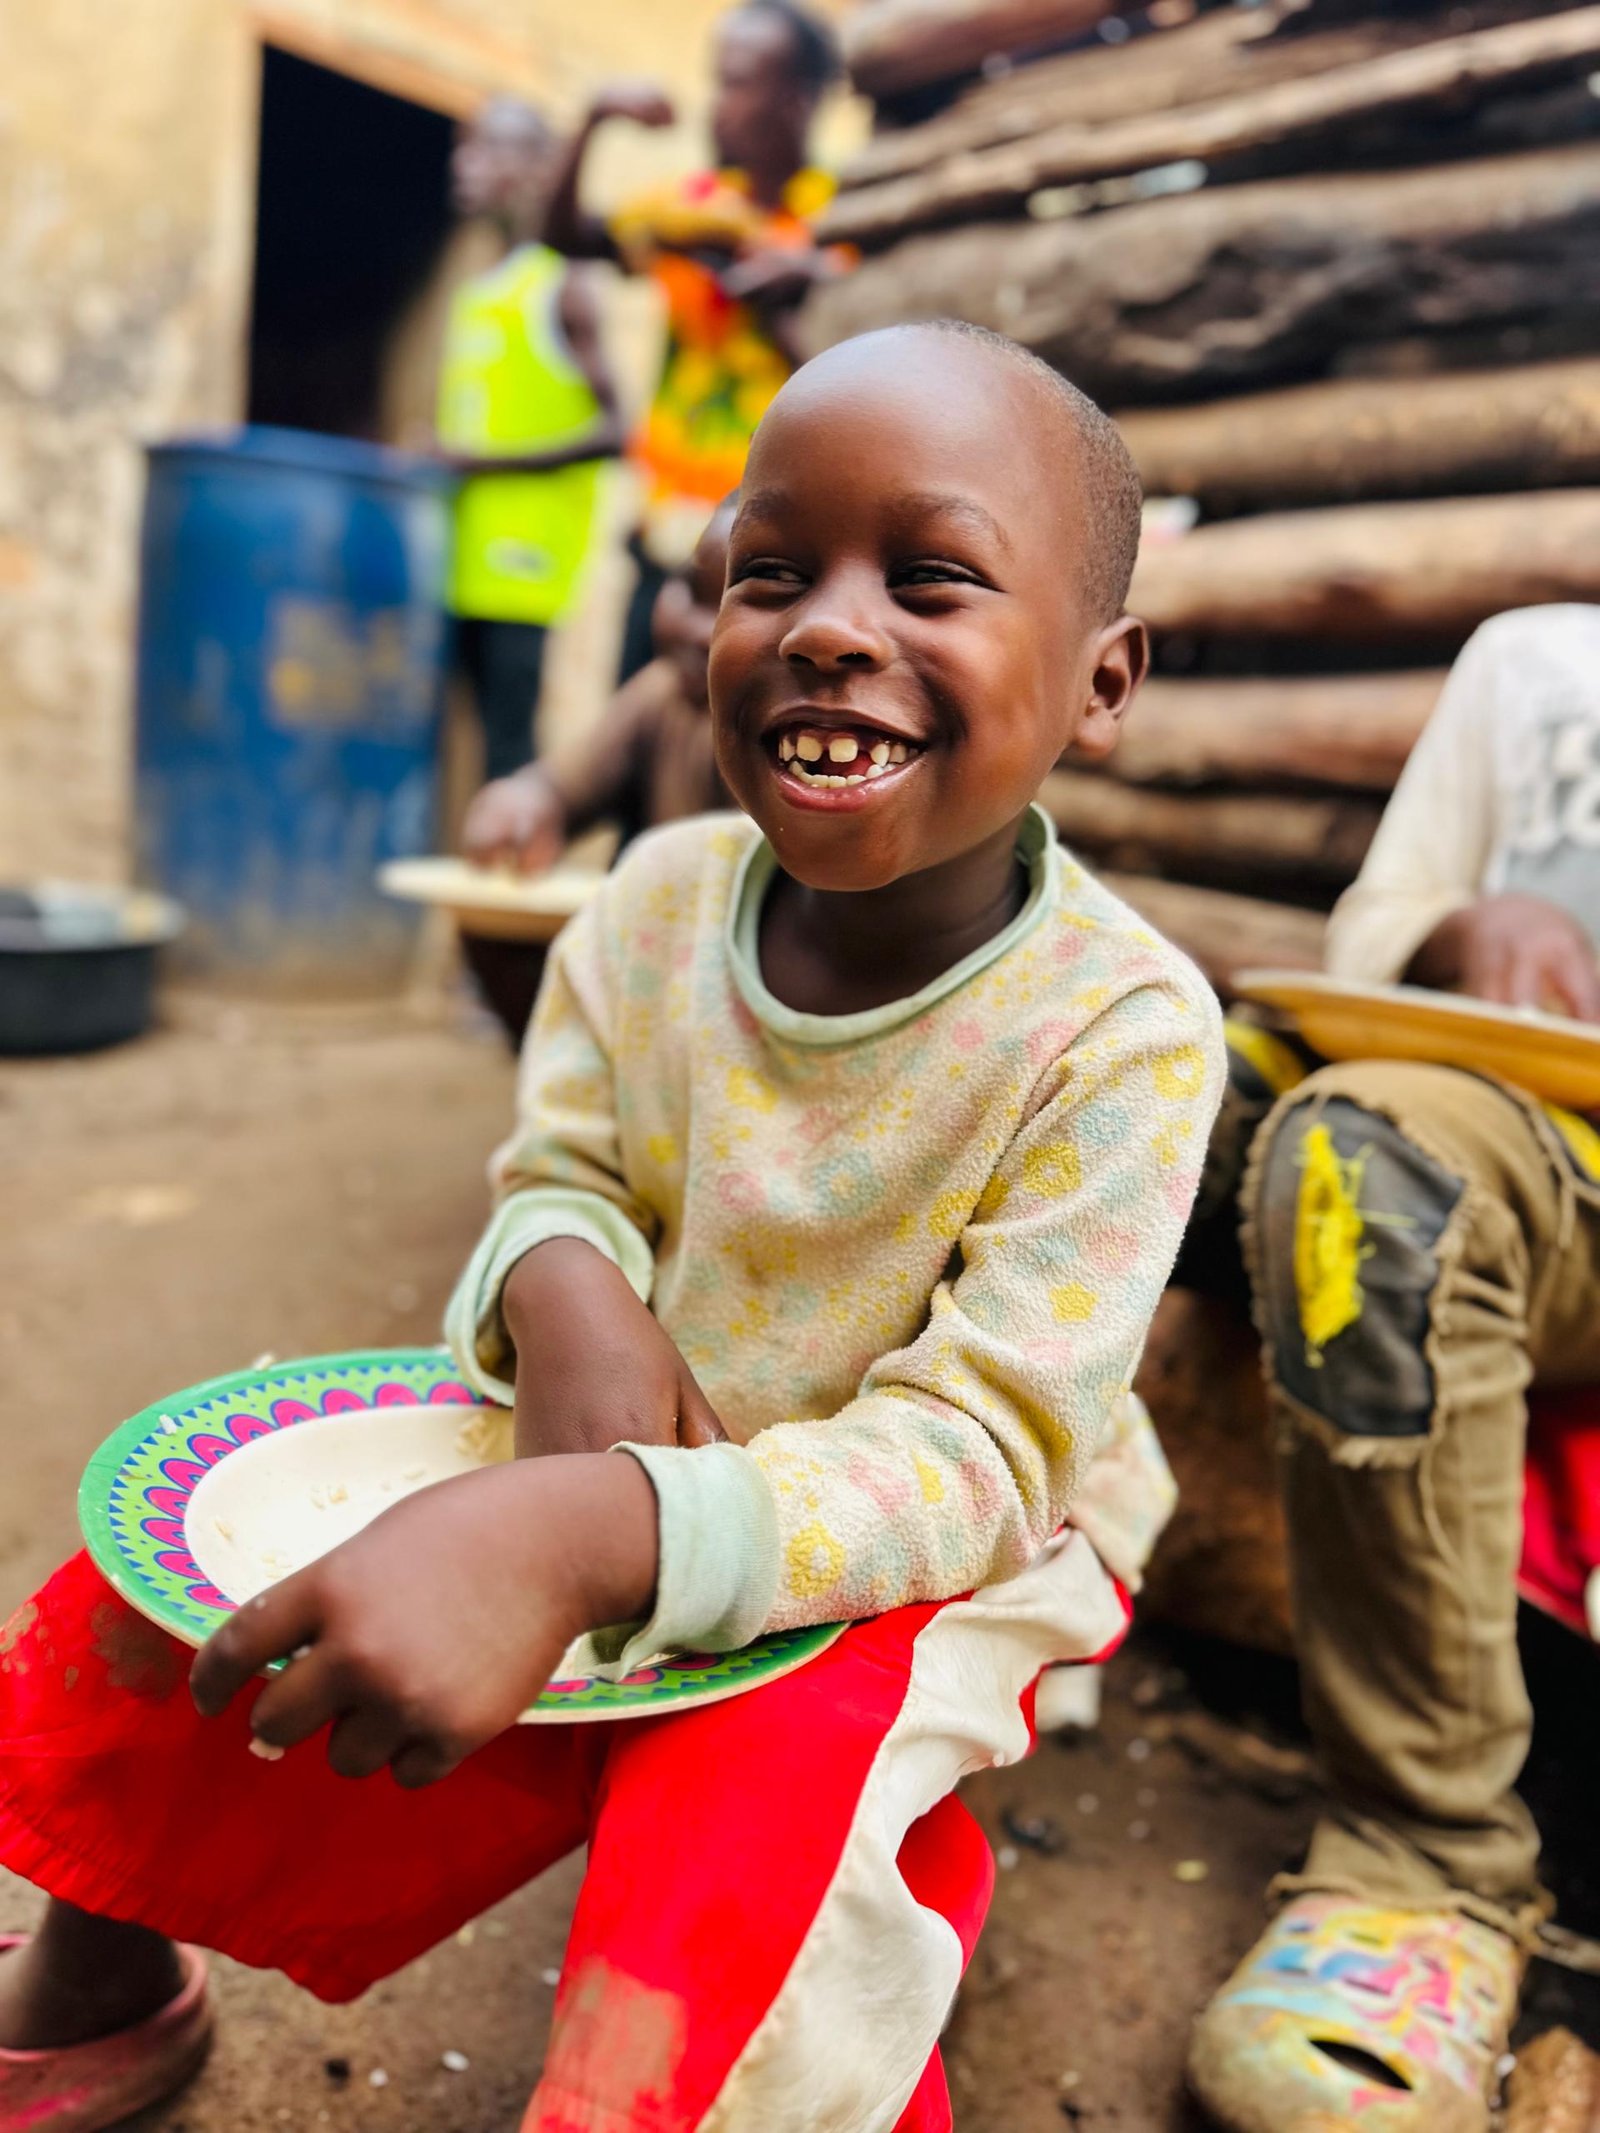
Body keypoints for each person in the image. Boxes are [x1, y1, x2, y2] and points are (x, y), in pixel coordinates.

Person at [0, 322, 1223, 2133]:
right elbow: (557, 1167)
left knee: (753, 1815)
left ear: (1104, 680)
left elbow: (984, 1453)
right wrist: (567, 1281)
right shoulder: (647, 905)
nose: (823, 624)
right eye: (772, 572)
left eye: (934, 577)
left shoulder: (1123, 1028)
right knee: (183, 1562)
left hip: (941, 1539)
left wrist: (600, 1532)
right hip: (620, 1431)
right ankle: (107, 1960)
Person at [1188, 605, 1600, 2133]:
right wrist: (1459, 933)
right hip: (1513, 1132)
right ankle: (1424, 1866)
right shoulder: (1534, 660)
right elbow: (1378, 925)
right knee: (1318, 1141)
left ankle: (1436, 1860)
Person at [542, 0, 848, 682]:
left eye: (738, 83)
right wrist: (596, 120)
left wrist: (790, 295)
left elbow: (866, 388)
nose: (718, 106)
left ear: (796, 99)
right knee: (635, 737)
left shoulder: (840, 217)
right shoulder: (695, 203)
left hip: (774, 553)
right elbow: (564, 237)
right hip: (665, 534)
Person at [458, 498, 735, 1046]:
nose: (699, 631)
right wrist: (521, 800)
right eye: (689, 592)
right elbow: (560, 785)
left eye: (731, 605)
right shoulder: (664, 693)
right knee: (493, 924)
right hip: (653, 965)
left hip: (733, 990)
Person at [438, 97, 626, 781]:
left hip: (526, 567)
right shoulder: (478, 291)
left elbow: (617, 431)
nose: (464, 166)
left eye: (486, 149)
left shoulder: (562, 286)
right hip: (460, 559)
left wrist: (477, 462)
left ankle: (514, 883)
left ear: (537, 168)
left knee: (509, 746)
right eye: (464, 149)